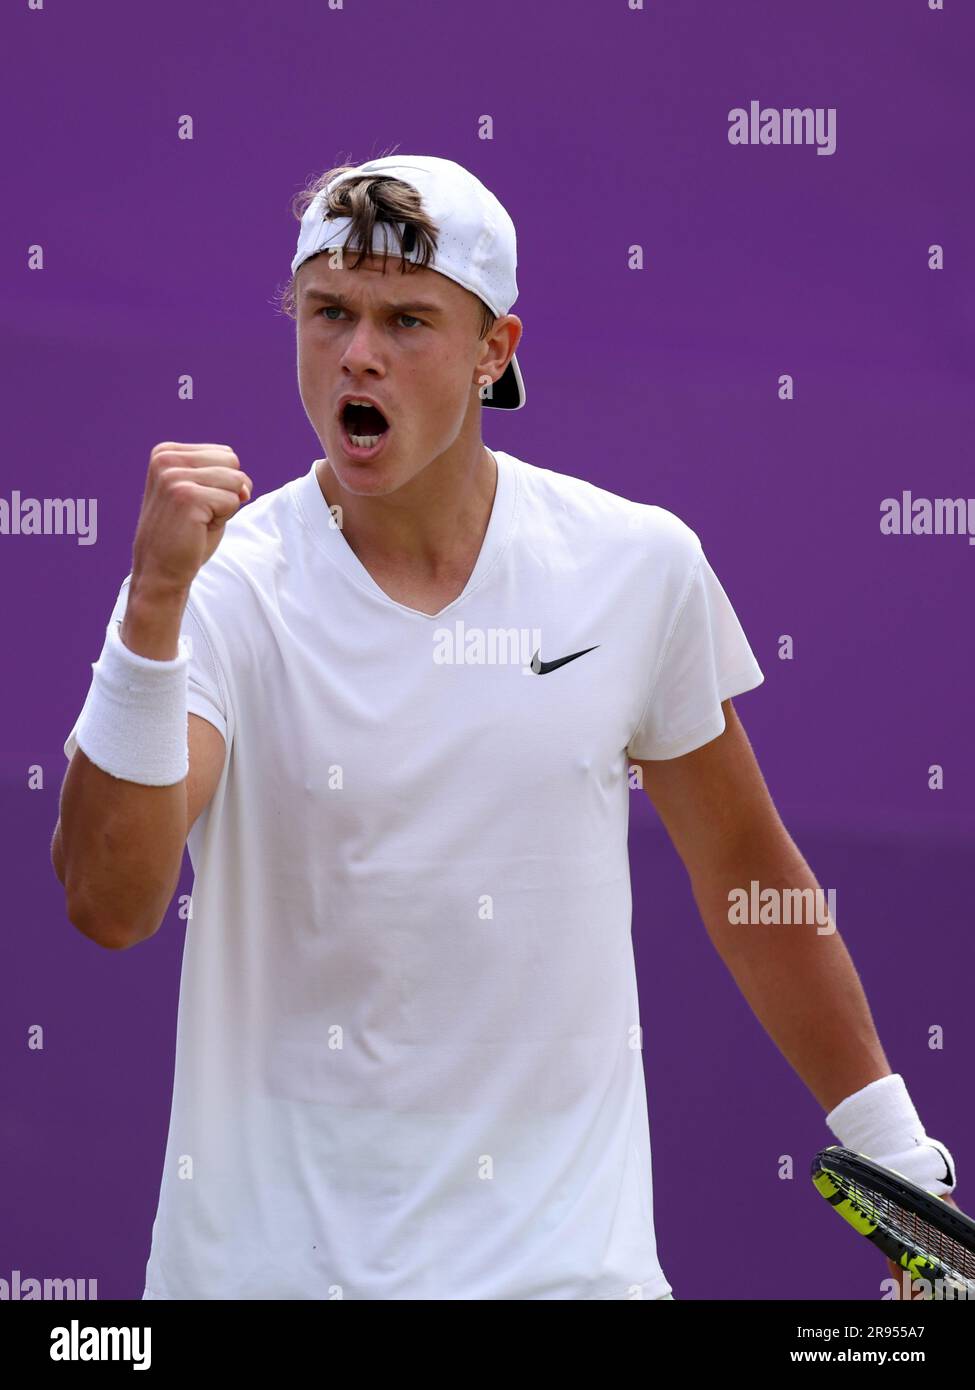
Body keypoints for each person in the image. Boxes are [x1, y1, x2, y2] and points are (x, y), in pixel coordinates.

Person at [51, 154, 958, 1301]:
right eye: (328, 312)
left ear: (496, 351)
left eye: (406, 320)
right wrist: (148, 611)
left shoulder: (637, 567)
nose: (357, 353)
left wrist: (901, 1175)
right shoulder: (218, 587)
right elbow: (109, 903)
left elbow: (746, 876)